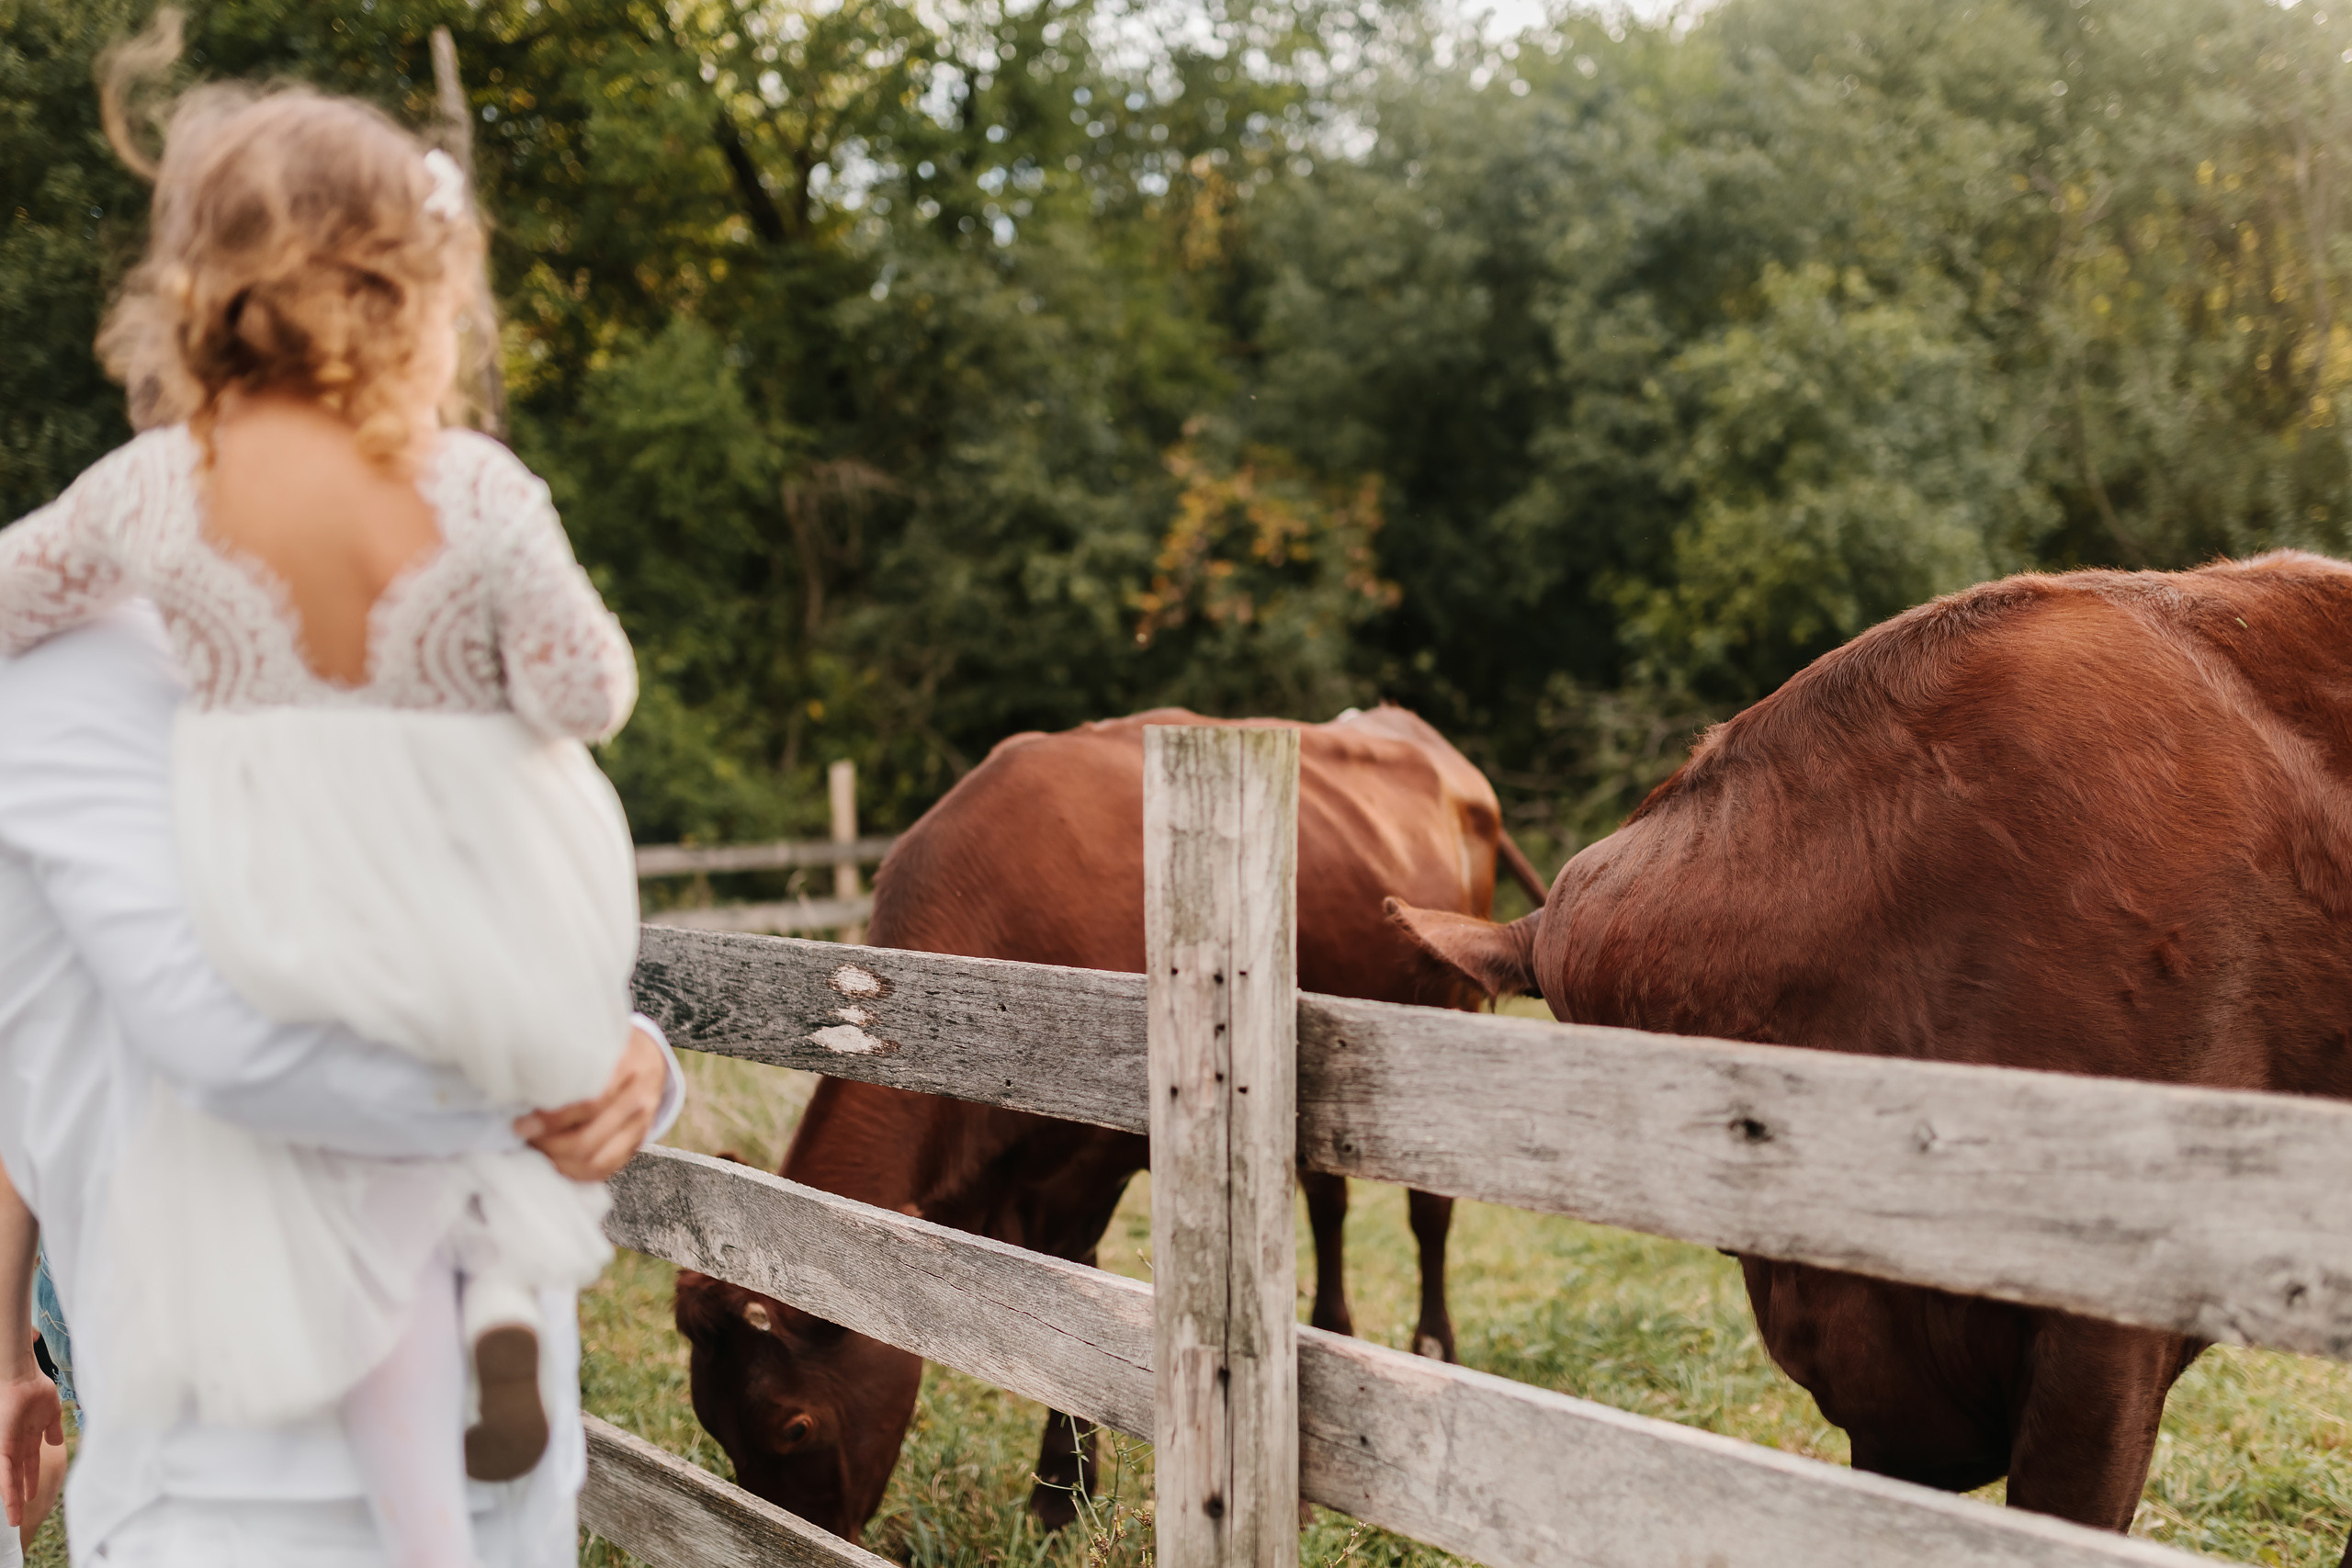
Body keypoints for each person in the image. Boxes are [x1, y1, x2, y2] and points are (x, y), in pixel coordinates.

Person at [0, 17, 649, 1565]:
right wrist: (551, 1046)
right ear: (421, 292)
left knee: (393, 1226)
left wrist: (634, 1065)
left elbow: (15, 584)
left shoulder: (149, 501)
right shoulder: (477, 494)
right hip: (234, 1498)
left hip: (300, 882)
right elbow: (591, 691)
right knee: (444, 1222)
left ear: (194, 290)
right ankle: (489, 1306)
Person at [0, 602, 683, 1567]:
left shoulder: (443, 642)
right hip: (219, 1475)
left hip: (489, 1474)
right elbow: (158, 1055)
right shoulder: (58, 681)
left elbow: (540, 916)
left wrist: (631, 1058)